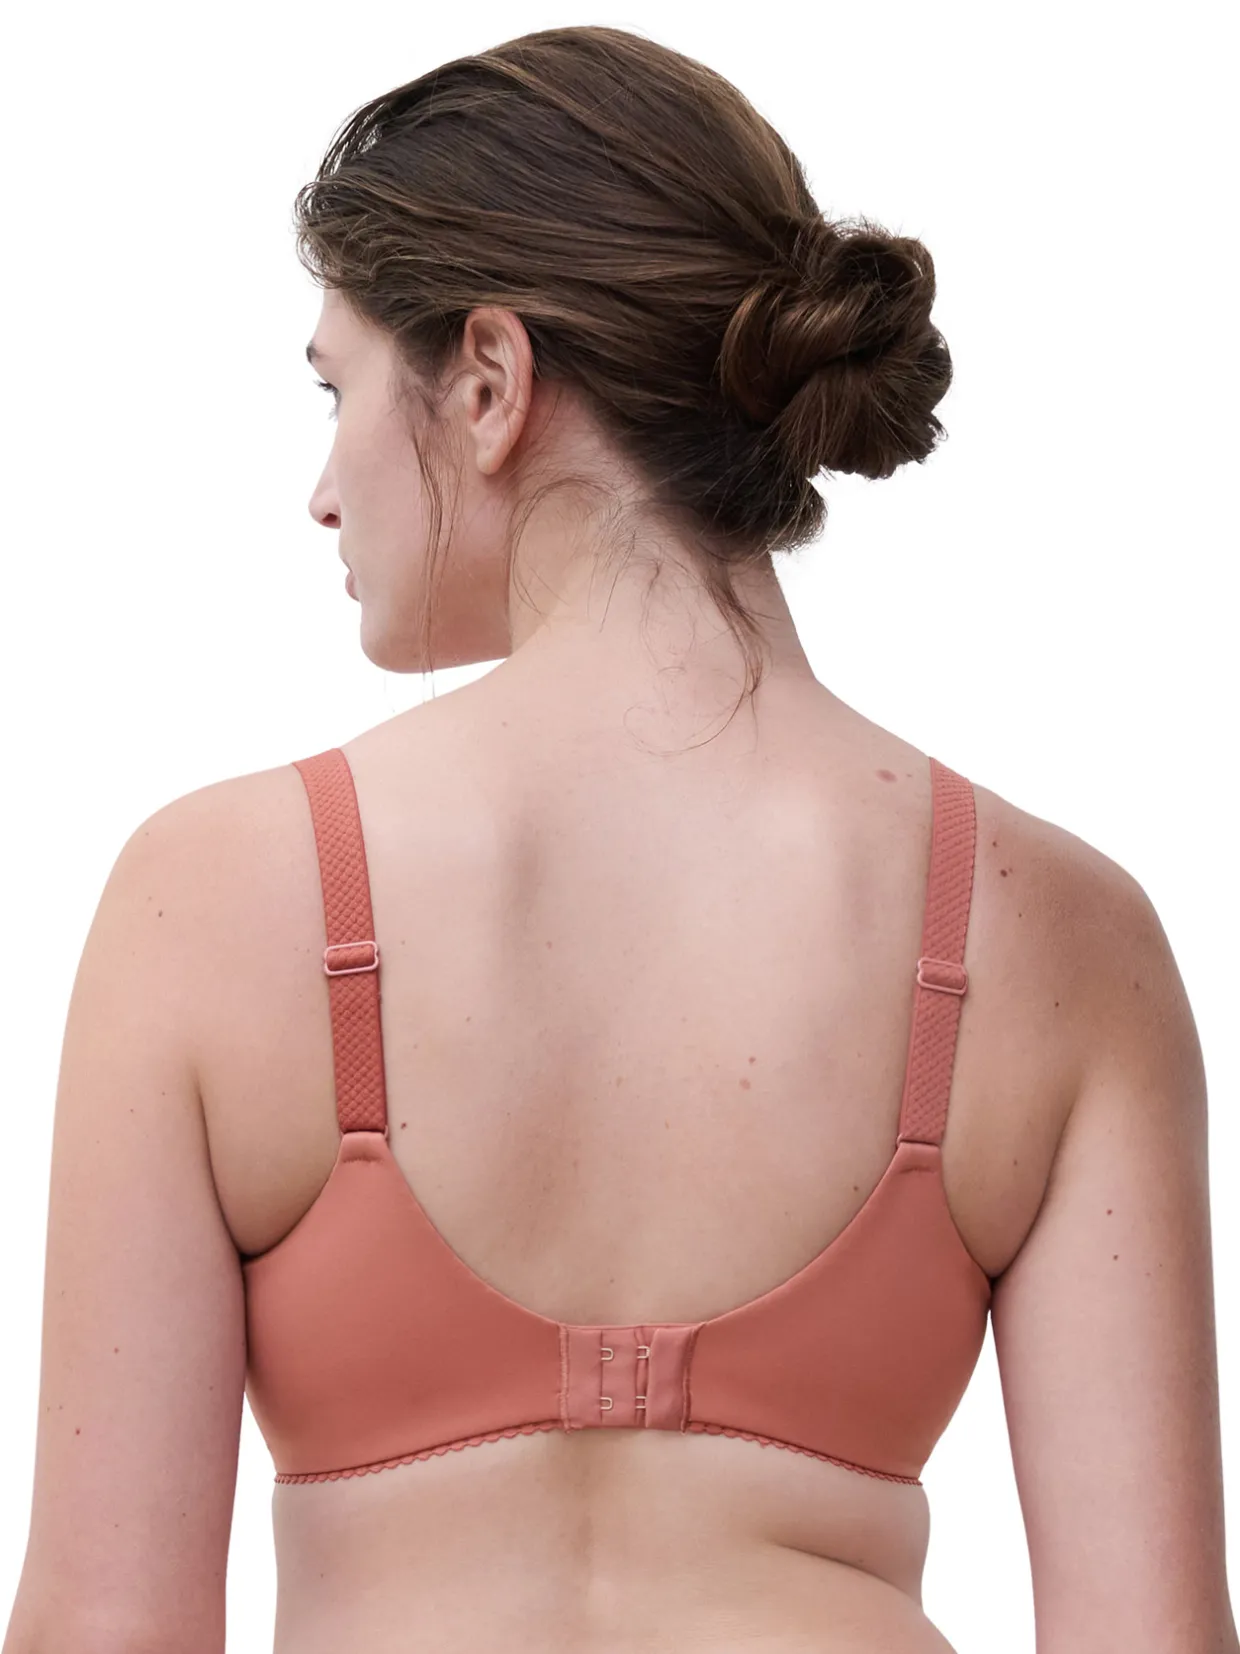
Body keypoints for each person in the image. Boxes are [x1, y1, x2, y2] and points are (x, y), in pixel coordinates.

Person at [3, 23, 1236, 1654]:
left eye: (335, 388)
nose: (322, 489)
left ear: (489, 382)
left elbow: (106, 1628)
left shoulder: (216, 899)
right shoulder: (1053, 931)